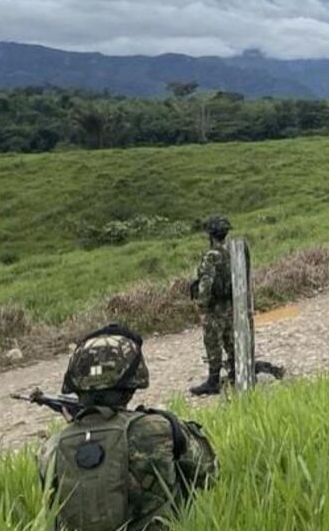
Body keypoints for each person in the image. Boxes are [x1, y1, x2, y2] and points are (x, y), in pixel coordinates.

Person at [38, 324, 217, 531]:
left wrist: (81, 432)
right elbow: (209, 474)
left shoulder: (51, 448)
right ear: (133, 384)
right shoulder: (161, 430)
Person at [189, 215, 284, 396]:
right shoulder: (233, 252)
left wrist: (201, 304)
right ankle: (236, 372)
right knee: (230, 340)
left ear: (210, 234)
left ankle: (213, 380)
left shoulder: (211, 256)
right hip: (231, 304)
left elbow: (206, 283)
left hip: (215, 307)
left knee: (212, 342)